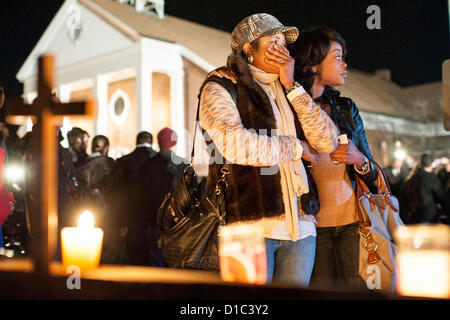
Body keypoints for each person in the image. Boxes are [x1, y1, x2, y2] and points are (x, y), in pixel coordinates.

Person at [201, 14, 338, 286]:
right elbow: (235, 145)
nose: (283, 50)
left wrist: (292, 87)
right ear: (248, 49)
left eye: (284, 44)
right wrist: (296, 147)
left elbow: (326, 141)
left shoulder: (292, 88)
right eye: (273, 42)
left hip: (301, 228)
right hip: (248, 228)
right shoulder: (222, 85)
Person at [285, 26, 380, 291]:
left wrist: (359, 158)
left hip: (353, 225)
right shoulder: (286, 107)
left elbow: (373, 170)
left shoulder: (347, 108)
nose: (345, 63)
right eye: (337, 56)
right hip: (309, 227)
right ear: (314, 62)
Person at [137, 127, 189, 266]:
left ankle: (158, 286)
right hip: (178, 220)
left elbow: (142, 197)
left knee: (156, 259)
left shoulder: (147, 166)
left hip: (154, 219)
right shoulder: (183, 165)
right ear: (174, 143)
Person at [76, 135, 128, 264]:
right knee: (111, 260)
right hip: (111, 221)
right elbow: (120, 196)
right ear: (107, 148)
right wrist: (123, 221)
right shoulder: (113, 166)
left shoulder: (79, 166)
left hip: (86, 221)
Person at [117, 131, 157, 265]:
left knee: (134, 255)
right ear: (151, 142)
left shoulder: (123, 161)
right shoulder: (159, 161)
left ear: (137, 142)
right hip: (154, 216)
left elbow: (120, 193)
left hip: (130, 215)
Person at [400, 154, 446, 224]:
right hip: (430, 217)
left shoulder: (410, 180)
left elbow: (404, 199)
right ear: (432, 164)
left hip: (413, 217)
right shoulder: (431, 178)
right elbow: (441, 196)